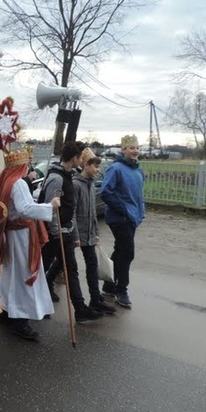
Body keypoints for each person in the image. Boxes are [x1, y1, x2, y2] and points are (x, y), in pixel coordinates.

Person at [0, 149, 60, 340]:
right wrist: (50, 206)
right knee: (24, 275)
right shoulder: (19, 183)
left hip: (12, 235)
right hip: (22, 237)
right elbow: (25, 209)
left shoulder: (5, 181)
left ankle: (6, 312)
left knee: (11, 275)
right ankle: (20, 321)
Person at [39, 141, 103, 324]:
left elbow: (70, 208)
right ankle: (38, 305)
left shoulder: (68, 175)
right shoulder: (57, 178)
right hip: (53, 234)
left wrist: (73, 234)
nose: (81, 160)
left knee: (71, 269)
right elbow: (50, 208)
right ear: (75, 158)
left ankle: (80, 310)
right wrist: (54, 232)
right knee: (42, 269)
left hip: (66, 232)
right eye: (80, 157)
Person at [99, 134, 145, 309]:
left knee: (120, 251)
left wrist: (141, 212)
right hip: (119, 218)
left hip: (133, 217)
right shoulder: (116, 168)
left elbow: (139, 194)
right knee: (127, 253)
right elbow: (106, 192)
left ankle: (109, 285)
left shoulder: (138, 170)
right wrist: (125, 210)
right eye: (131, 148)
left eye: (137, 148)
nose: (135, 151)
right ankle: (121, 289)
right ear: (123, 150)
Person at [73, 151, 117, 315]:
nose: (98, 169)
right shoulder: (76, 184)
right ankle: (49, 283)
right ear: (85, 165)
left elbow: (92, 211)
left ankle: (95, 299)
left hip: (90, 233)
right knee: (64, 264)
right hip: (79, 233)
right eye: (96, 166)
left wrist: (96, 231)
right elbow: (73, 213)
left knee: (92, 265)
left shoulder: (90, 184)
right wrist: (76, 235)